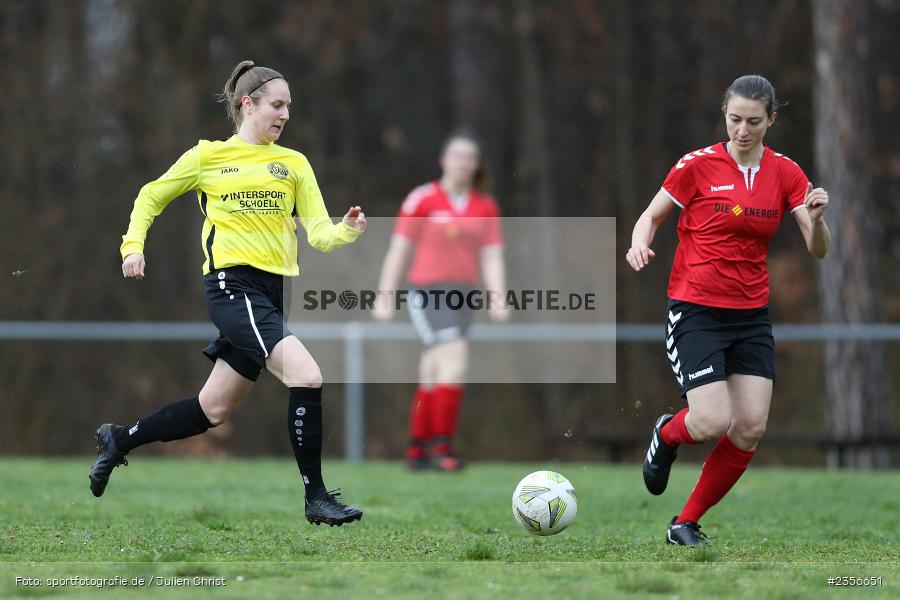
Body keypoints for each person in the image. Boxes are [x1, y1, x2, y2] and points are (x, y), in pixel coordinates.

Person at [89, 60, 367, 527]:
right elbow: (150, 196)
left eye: (289, 108)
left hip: (272, 293)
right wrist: (132, 247)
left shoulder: (294, 164)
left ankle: (119, 438)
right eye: (276, 105)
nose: (283, 115)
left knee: (211, 410)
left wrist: (347, 229)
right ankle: (315, 497)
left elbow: (318, 234)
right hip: (231, 287)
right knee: (307, 376)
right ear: (248, 104)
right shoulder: (207, 157)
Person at [628, 75, 831, 545]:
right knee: (711, 421)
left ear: (771, 120)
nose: (743, 129)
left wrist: (818, 222)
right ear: (725, 114)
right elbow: (651, 215)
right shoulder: (696, 166)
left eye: (754, 121)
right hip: (696, 309)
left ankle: (684, 523)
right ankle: (668, 433)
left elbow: (818, 249)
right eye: (735, 119)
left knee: (750, 427)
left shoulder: (786, 173)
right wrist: (640, 243)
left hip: (751, 316)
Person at [375, 132, 508, 471]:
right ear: (443, 161)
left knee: (434, 368)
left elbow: (492, 256)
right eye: (457, 156)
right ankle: (444, 448)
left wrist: (498, 296)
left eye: (470, 158)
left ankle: (417, 450)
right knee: (455, 358)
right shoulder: (423, 199)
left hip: (465, 296)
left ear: (476, 165)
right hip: (427, 292)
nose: (463, 163)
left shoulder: (485, 205)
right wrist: (385, 295)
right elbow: (399, 250)